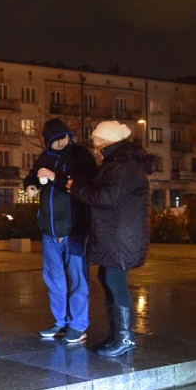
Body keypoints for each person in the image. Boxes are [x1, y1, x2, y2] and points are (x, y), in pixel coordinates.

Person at [67, 120, 154, 357]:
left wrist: (77, 188)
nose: (94, 146)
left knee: (115, 281)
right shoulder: (117, 163)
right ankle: (117, 334)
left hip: (120, 238)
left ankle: (125, 337)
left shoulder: (123, 165)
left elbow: (106, 196)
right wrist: (81, 184)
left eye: (96, 141)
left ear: (107, 141)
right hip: (114, 235)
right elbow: (103, 189)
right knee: (107, 279)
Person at [24, 119, 96, 344]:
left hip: (74, 230)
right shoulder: (44, 157)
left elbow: (85, 185)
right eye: (54, 141)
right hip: (49, 230)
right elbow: (32, 175)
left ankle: (78, 325)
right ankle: (61, 321)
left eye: (62, 138)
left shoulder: (81, 156)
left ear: (69, 135)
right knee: (54, 279)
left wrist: (57, 178)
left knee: (77, 279)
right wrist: (30, 185)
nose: (59, 143)